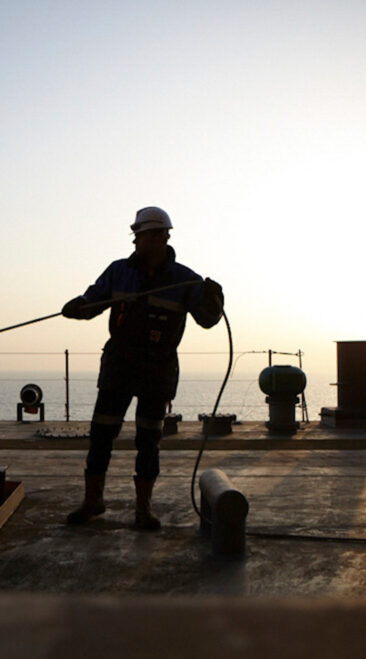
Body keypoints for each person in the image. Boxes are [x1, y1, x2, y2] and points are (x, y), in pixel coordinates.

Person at [61, 206, 224, 530]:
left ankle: (143, 508)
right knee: (101, 435)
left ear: (163, 236)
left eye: (146, 235)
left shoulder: (185, 280)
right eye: (138, 236)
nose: (140, 241)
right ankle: (93, 501)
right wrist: (76, 307)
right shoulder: (118, 272)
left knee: (149, 440)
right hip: (119, 365)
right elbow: (92, 304)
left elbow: (206, 320)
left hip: (158, 369)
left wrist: (215, 300)